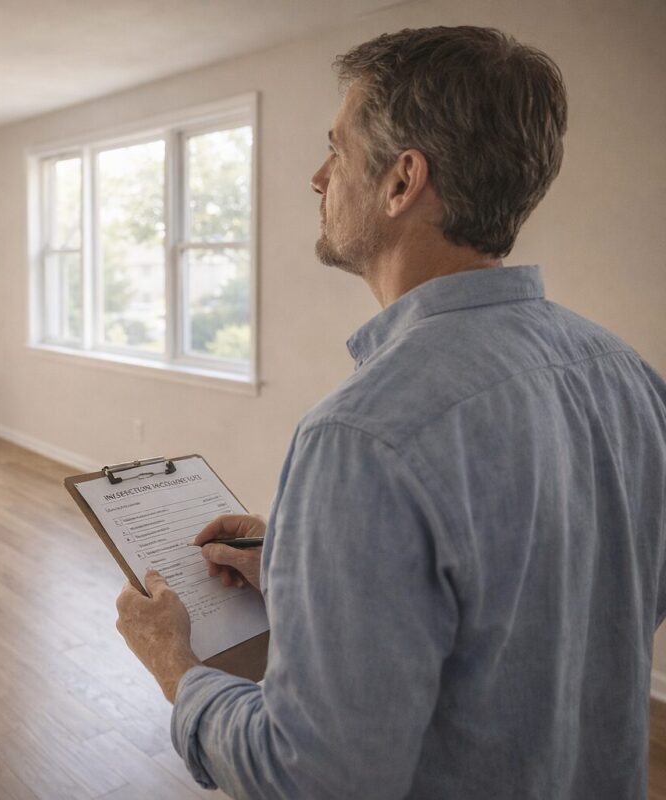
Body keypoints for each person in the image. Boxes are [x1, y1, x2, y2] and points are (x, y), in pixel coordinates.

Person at [113, 25, 666, 799]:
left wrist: (176, 666)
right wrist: (300, 560)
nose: (317, 176)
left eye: (336, 150)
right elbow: (578, 590)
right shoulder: (628, 376)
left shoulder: (360, 437)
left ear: (402, 181)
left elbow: (309, 777)